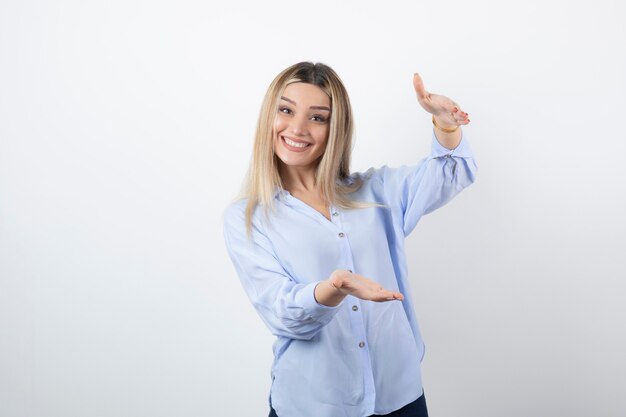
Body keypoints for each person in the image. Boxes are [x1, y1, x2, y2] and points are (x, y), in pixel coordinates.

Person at [222, 62, 476, 417]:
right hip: (312, 404)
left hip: (398, 396)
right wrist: (334, 287)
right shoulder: (248, 217)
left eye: (317, 117)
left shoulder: (375, 190)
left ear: (335, 128)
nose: (297, 128)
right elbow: (282, 313)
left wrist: (446, 125)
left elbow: (450, 173)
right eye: (286, 110)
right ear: (270, 116)